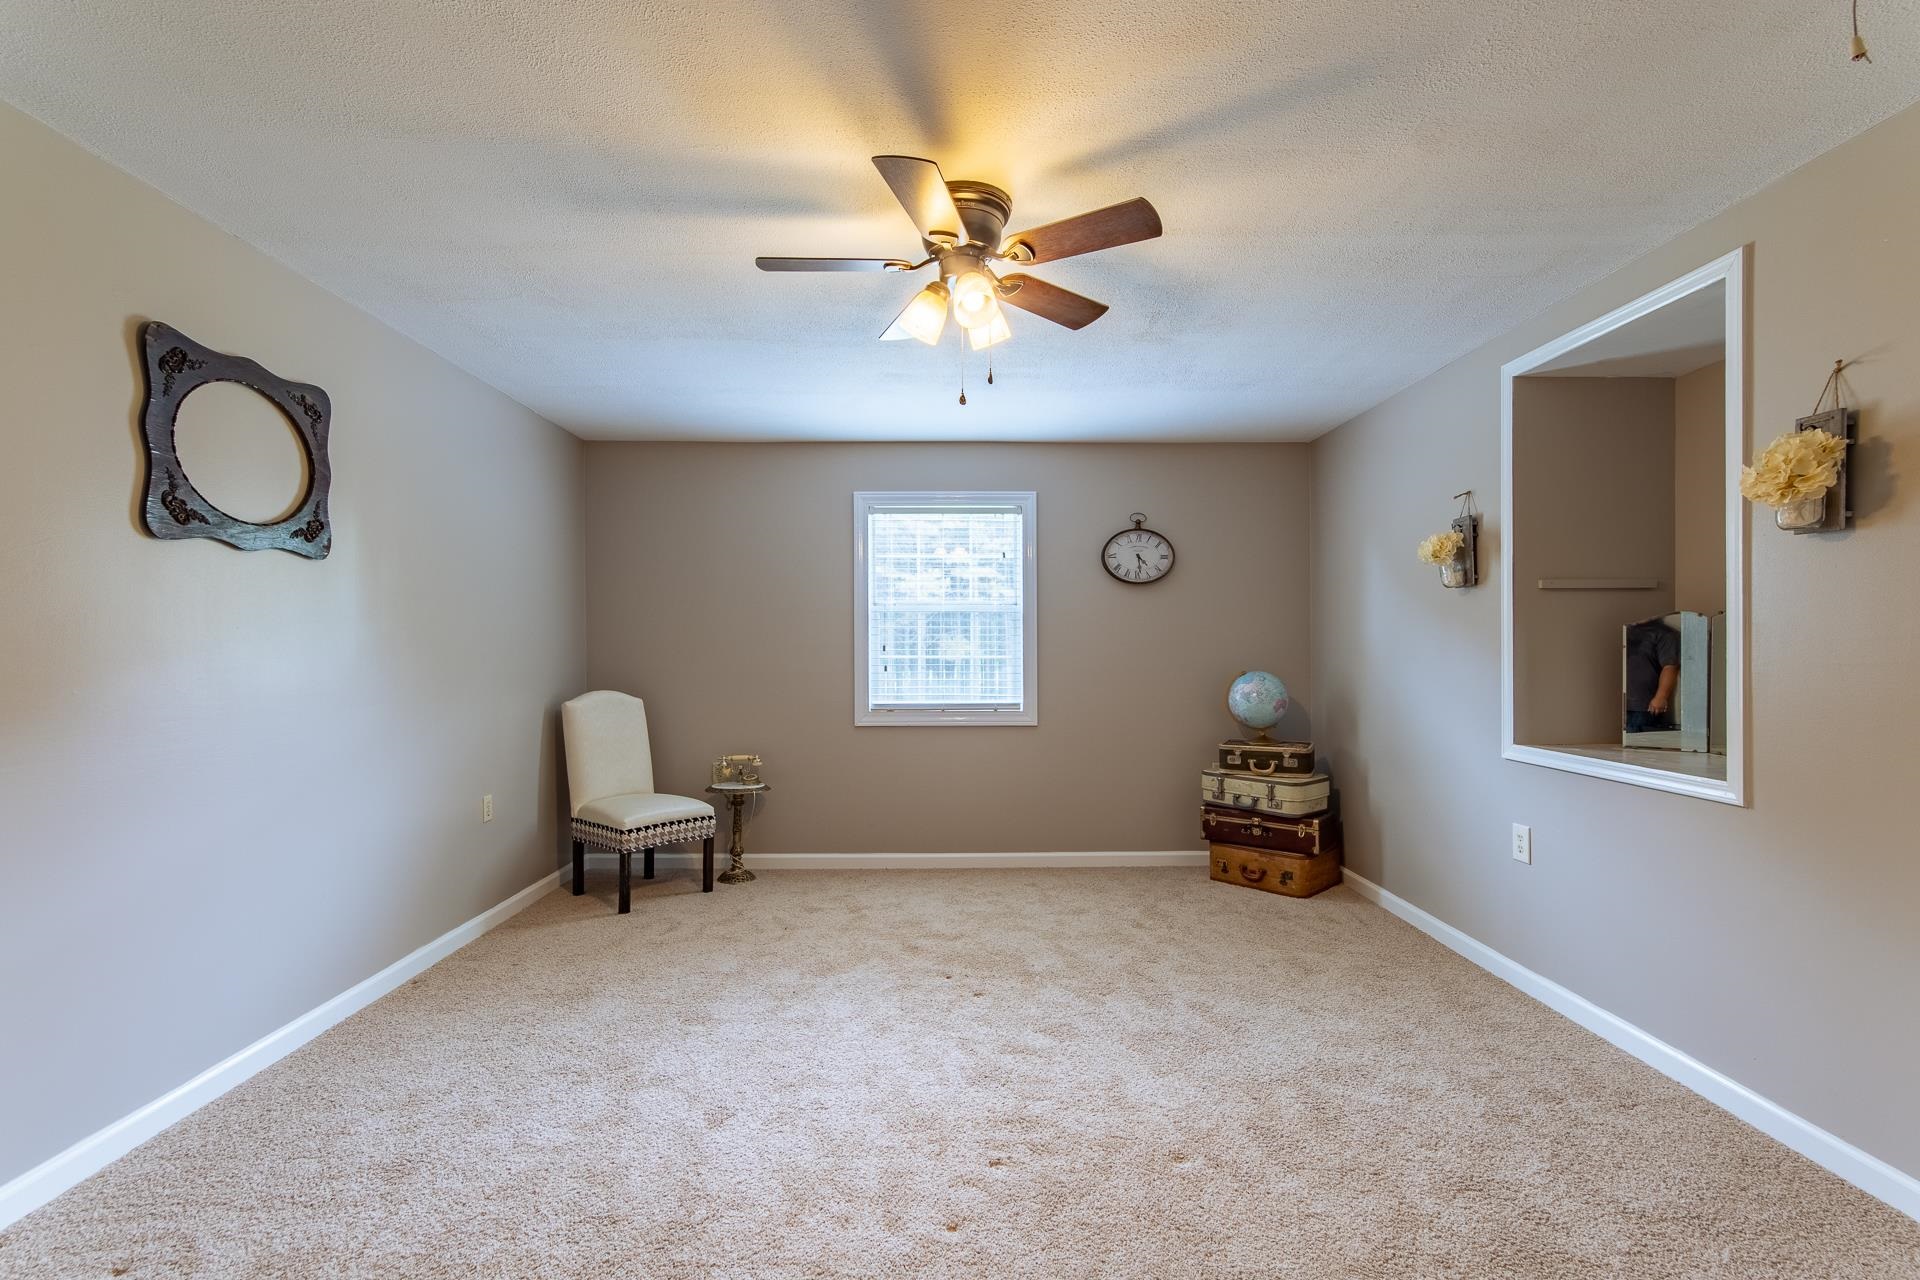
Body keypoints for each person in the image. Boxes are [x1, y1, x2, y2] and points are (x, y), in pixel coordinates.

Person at [1625, 619, 1681, 732]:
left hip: (1644, 707)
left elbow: (1670, 666)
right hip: (1620, 704)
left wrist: (1661, 697)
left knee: (1639, 745)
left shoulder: (1663, 633)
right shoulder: (1625, 630)